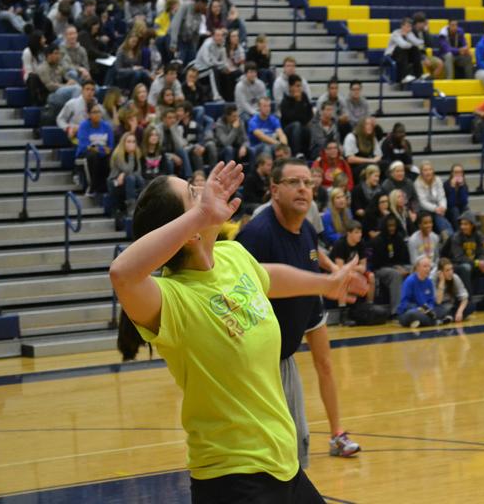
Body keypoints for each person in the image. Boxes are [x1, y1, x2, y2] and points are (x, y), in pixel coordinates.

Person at [113, 162, 366, 502]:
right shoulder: (170, 299)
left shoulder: (230, 255)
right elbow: (122, 274)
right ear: (187, 229)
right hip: (231, 479)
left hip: (282, 465)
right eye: (192, 194)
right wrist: (201, 214)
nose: (204, 192)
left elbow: (267, 277)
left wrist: (327, 283)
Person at [237, 158, 363, 469]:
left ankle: (337, 433)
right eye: (294, 182)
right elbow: (242, 289)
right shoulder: (256, 234)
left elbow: (311, 249)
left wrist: (333, 269)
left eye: (308, 183)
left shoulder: (305, 226)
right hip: (260, 360)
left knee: (325, 367)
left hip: (300, 318)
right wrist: (326, 281)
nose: (303, 189)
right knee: (272, 453)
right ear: (274, 190)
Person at [440, 210, 484, 311]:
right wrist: (478, 263)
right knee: (466, 268)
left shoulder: (478, 236)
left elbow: (482, 253)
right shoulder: (456, 237)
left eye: (466, 224)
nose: (462, 227)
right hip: (455, 266)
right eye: (461, 224)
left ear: (472, 225)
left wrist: (482, 261)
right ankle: (469, 303)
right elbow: (459, 257)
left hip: (472, 264)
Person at [370, 213, 410, 313]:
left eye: (394, 226)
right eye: (389, 226)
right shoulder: (378, 241)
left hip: (397, 266)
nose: (392, 228)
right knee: (395, 275)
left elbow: (404, 258)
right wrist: (396, 267)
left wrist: (402, 267)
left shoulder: (398, 238)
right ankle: (396, 310)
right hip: (381, 269)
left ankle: (414, 306)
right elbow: (378, 262)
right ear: (385, 226)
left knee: (416, 269)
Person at [397, 256, 452, 328]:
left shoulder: (429, 282)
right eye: (425, 266)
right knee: (412, 314)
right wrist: (418, 309)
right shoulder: (410, 281)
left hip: (426, 312)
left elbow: (431, 301)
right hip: (410, 312)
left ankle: (422, 322)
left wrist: (429, 309)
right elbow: (404, 303)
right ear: (417, 268)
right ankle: (436, 321)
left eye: (429, 266)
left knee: (443, 310)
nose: (428, 269)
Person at [330, 220, 374, 307]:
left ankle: (369, 306)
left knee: (371, 277)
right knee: (346, 278)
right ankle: (343, 311)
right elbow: (340, 268)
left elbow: (363, 267)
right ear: (349, 233)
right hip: (336, 273)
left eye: (360, 232)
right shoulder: (340, 244)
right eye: (356, 232)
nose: (360, 235)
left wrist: (353, 268)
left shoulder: (361, 243)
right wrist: (356, 269)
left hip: (352, 271)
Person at [77, 104, 113, 195]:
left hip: (102, 153)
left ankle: (106, 188)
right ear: (89, 114)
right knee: (93, 156)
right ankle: (92, 187)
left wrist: (101, 149)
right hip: (86, 153)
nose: (97, 114)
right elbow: (85, 145)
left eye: (99, 112)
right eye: (94, 112)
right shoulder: (84, 126)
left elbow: (110, 146)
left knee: (110, 158)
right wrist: (100, 149)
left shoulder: (107, 126)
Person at [108, 132, 144, 217]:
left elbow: (138, 172)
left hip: (128, 181)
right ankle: (131, 207)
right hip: (115, 183)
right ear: (123, 143)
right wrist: (131, 155)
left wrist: (123, 174)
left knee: (140, 179)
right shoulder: (118, 155)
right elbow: (127, 169)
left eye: (133, 141)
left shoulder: (137, 153)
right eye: (129, 141)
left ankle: (142, 205)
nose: (131, 144)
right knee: (130, 178)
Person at [414, 161, 452, 238]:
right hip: (423, 210)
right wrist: (436, 209)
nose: (428, 172)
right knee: (437, 217)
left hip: (438, 208)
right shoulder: (417, 183)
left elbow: (442, 196)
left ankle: (448, 236)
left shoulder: (437, 180)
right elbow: (422, 202)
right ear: (421, 172)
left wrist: (443, 207)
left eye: (430, 169)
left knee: (441, 217)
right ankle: (447, 236)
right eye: (425, 170)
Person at [39, 44, 81, 112]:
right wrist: (66, 86)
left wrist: (72, 81)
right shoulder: (43, 68)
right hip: (50, 96)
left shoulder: (58, 66)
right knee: (76, 89)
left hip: (61, 91)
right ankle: (75, 113)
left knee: (84, 88)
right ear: (49, 55)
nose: (58, 56)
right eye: (56, 53)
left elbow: (66, 78)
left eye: (59, 53)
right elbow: (49, 86)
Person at [280, 74, 313, 159]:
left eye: (300, 86)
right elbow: (291, 118)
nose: (299, 88)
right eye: (297, 86)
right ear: (291, 87)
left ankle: (310, 153)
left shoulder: (304, 97)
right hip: (287, 130)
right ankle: (296, 153)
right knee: (296, 125)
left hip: (302, 127)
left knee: (309, 127)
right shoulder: (285, 100)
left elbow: (309, 115)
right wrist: (298, 102)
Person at [194, 27, 230, 102]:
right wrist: (221, 64)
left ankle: (228, 97)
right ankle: (216, 96)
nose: (220, 37)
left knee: (227, 72)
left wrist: (224, 67)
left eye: (221, 35)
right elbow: (208, 62)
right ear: (213, 36)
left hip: (213, 67)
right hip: (200, 71)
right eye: (217, 35)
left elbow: (225, 61)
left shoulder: (222, 44)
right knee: (213, 70)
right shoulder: (207, 45)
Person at [343, 117, 382, 183]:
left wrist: (374, 160)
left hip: (370, 163)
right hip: (355, 167)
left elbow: (379, 155)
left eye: (371, 125)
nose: (370, 127)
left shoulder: (373, 138)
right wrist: (371, 161)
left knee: (387, 165)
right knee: (370, 167)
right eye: (367, 124)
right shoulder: (351, 137)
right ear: (361, 126)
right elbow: (350, 159)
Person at [432, 257, 471, 322]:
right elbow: (438, 301)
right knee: (438, 311)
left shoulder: (454, 277)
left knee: (470, 306)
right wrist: (442, 281)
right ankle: (450, 316)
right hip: (439, 306)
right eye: (447, 270)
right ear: (440, 272)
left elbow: (464, 297)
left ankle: (450, 317)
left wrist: (460, 312)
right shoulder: (433, 279)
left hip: (451, 305)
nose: (450, 272)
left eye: (451, 269)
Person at [384, 17, 421, 84]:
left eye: (410, 27)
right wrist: (406, 38)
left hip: (404, 55)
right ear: (402, 26)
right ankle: (404, 76)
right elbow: (403, 45)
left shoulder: (410, 34)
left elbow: (418, 43)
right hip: (391, 55)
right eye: (407, 26)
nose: (409, 29)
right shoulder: (396, 33)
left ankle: (418, 75)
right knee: (401, 49)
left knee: (415, 49)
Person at [411, 12, 443, 79]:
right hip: (415, 57)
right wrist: (423, 58)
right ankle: (426, 81)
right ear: (418, 23)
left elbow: (430, 44)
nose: (425, 25)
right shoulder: (411, 33)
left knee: (440, 63)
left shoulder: (423, 32)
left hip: (424, 56)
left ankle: (430, 80)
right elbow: (414, 50)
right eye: (423, 23)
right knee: (424, 64)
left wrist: (427, 31)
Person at [444, 163, 469, 229]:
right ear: (452, 173)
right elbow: (450, 204)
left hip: (460, 208)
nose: (458, 174)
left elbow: (464, 202)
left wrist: (461, 187)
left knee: (467, 209)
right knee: (455, 210)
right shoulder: (446, 185)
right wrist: (452, 187)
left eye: (460, 172)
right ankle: (459, 232)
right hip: (449, 210)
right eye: (456, 172)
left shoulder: (464, 185)